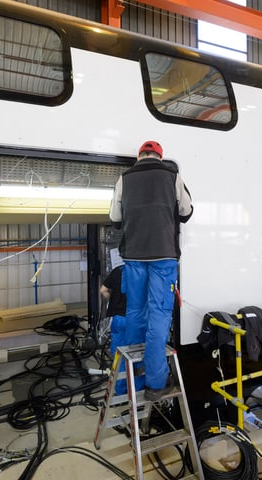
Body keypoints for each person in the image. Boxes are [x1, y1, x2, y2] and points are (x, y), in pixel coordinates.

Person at [109, 140, 193, 401]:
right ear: (160, 156)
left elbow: (114, 218)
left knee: (135, 311)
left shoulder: (124, 178)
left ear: (139, 156)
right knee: (158, 315)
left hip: (133, 256)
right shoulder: (172, 176)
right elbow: (186, 211)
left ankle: (132, 379)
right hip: (163, 256)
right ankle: (156, 383)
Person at [100, 264, 128, 394]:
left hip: (118, 320)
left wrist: (113, 300)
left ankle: (120, 390)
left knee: (119, 357)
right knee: (137, 355)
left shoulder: (118, 270)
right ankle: (135, 390)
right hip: (135, 320)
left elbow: (103, 290)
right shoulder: (143, 271)